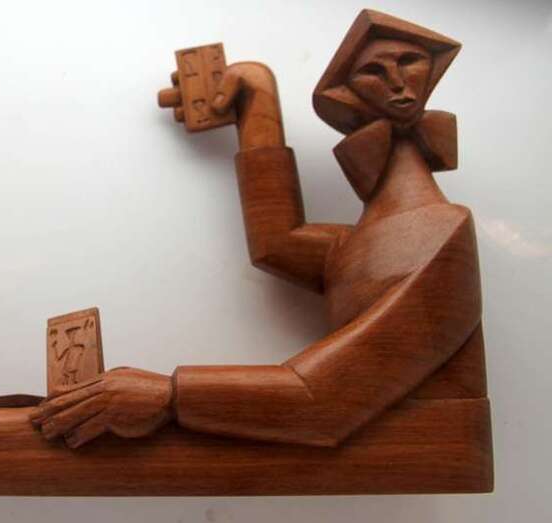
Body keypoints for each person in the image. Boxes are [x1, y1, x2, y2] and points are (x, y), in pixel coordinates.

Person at [31, 10, 488, 449]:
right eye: (375, 70)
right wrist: (257, 102)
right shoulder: (363, 241)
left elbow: (324, 401)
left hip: (395, 444)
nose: (396, 81)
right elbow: (277, 243)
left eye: (409, 62)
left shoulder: (442, 231)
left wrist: (171, 395)